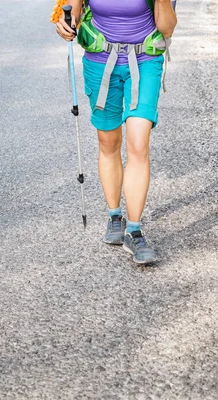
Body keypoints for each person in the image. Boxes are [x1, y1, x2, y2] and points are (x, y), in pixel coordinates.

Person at [56, 0, 177, 264]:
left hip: (145, 61)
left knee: (138, 144)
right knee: (108, 143)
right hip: (100, 62)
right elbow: (72, 12)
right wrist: (67, 25)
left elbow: (167, 29)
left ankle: (134, 231)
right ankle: (114, 216)